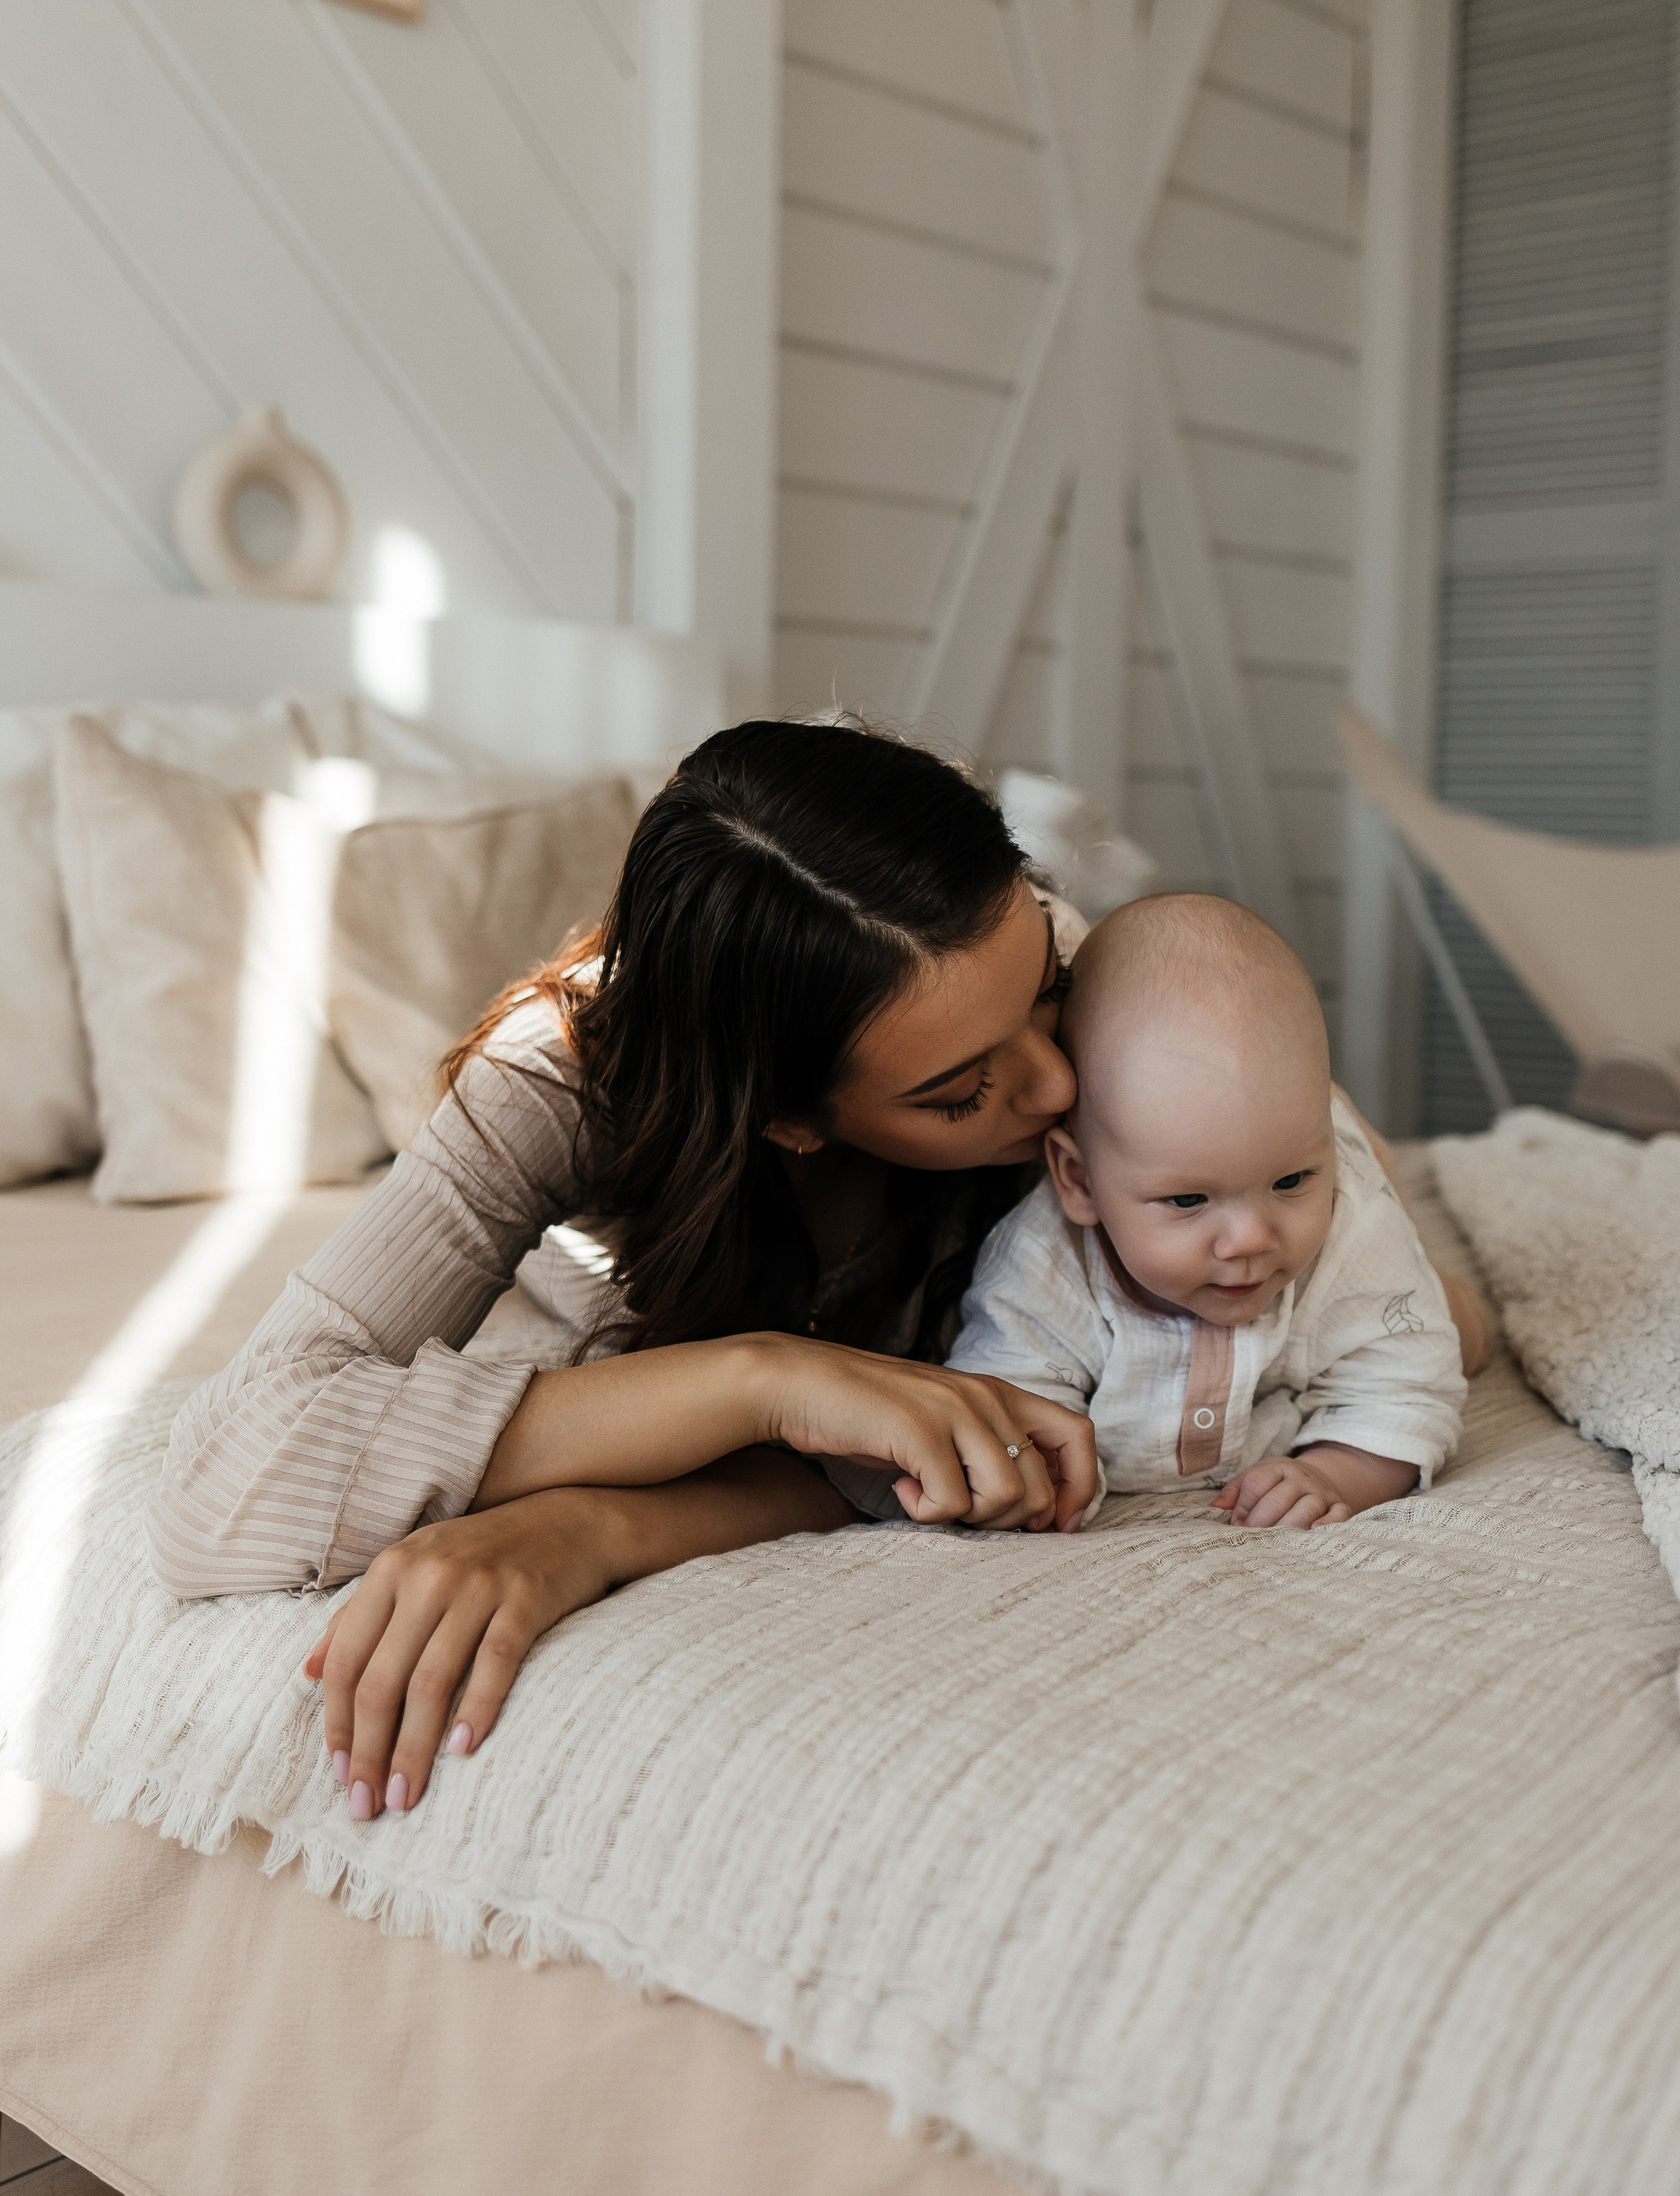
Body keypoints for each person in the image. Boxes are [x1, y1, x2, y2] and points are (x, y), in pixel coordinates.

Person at [147, 722, 1102, 1823]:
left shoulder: (1015, 952)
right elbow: (225, 1483)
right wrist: (761, 1378)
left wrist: (594, 1528)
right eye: (959, 1094)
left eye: (1046, 992)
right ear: (789, 1120)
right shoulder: (557, 1083)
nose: (1062, 1082)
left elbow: (1336, 1202)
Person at [947, 892, 1466, 1528]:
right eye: (1189, 1199)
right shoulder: (1040, 1265)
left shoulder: (1350, 1222)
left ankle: (1357, 1148)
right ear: (1078, 1181)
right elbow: (1001, 1405)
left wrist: (1337, 1470)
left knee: (1455, 1327)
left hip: (1351, 1188)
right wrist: (1030, 1469)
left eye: (1291, 1180)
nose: (1250, 1239)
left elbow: (1412, 1385)